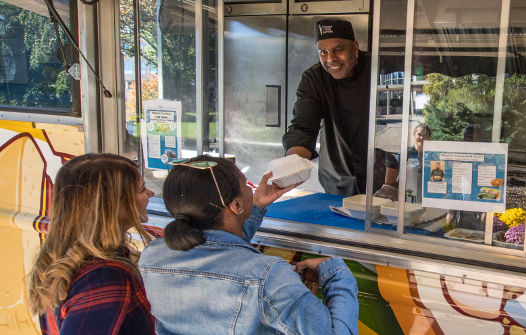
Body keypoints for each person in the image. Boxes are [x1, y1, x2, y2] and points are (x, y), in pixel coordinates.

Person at [138, 156, 359, 334]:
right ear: (235, 204)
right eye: (245, 185)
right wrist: (335, 271)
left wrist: (253, 207)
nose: (250, 188)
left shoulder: (152, 256)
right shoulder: (268, 275)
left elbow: (221, 255)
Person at [27, 153, 156, 334]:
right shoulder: (105, 277)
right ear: (112, 205)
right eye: (142, 190)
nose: (151, 193)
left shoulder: (60, 259)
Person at [283, 18, 380, 196]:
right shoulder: (314, 78)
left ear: (355, 47)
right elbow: (303, 127)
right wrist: (291, 165)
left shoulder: (378, 69)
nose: (330, 59)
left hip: (382, 178)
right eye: (323, 52)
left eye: (339, 49)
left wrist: (391, 182)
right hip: (337, 178)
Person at [375, 123, 431, 202]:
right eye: (419, 134)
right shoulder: (404, 153)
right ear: (414, 135)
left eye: (425, 135)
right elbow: (395, 174)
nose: (422, 137)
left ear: (429, 138)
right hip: (406, 194)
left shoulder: (431, 156)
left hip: (425, 194)